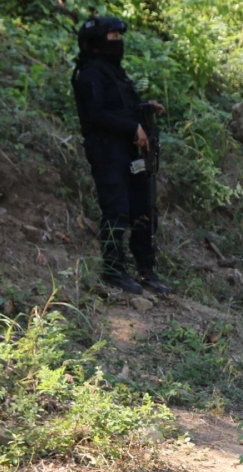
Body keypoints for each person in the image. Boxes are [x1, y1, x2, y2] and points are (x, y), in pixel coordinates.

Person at [71, 16, 169, 296]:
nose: (118, 42)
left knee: (142, 208)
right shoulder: (89, 73)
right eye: (112, 37)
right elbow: (96, 114)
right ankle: (114, 270)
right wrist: (131, 126)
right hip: (106, 148)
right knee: (116, 210)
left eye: (119, 37)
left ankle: (145, 270)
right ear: (97, 42)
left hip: (129, 149)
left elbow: (121, 107)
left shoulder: (114, 72)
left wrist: (144, 109)